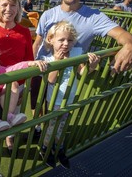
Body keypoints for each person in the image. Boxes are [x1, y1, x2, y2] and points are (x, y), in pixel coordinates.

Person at [31, 0, 132, 127]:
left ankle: (50, 142)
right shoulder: (48, 14)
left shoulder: (94, 17)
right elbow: (38, 42)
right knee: (36, 107)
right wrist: (31, 67)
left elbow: (122, 34)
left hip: (67, 77)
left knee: (57, 116)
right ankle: (37, 130)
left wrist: (130, 45)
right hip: (41, 70)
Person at [39, 21, 100, 169]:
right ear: (51, 40)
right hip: (54, 100)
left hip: (70, 98)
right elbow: (50, 80)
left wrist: (91, 65)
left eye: (70, 40)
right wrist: (58, 62)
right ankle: (46, 148)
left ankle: (58, 147)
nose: (66, 44)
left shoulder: (76, 53)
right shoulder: (48, 59)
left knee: (63, 125)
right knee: (52, 126)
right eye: (61, 40)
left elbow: (82, 72)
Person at [0, 0, 34, 155]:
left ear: (19, 8)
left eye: (13, 5)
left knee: (13, 117)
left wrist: (24, 89)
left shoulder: (24, 32)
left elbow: (29, 61)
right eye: (4, 4)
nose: (8, 9)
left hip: (15, 86)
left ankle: (9, 138)